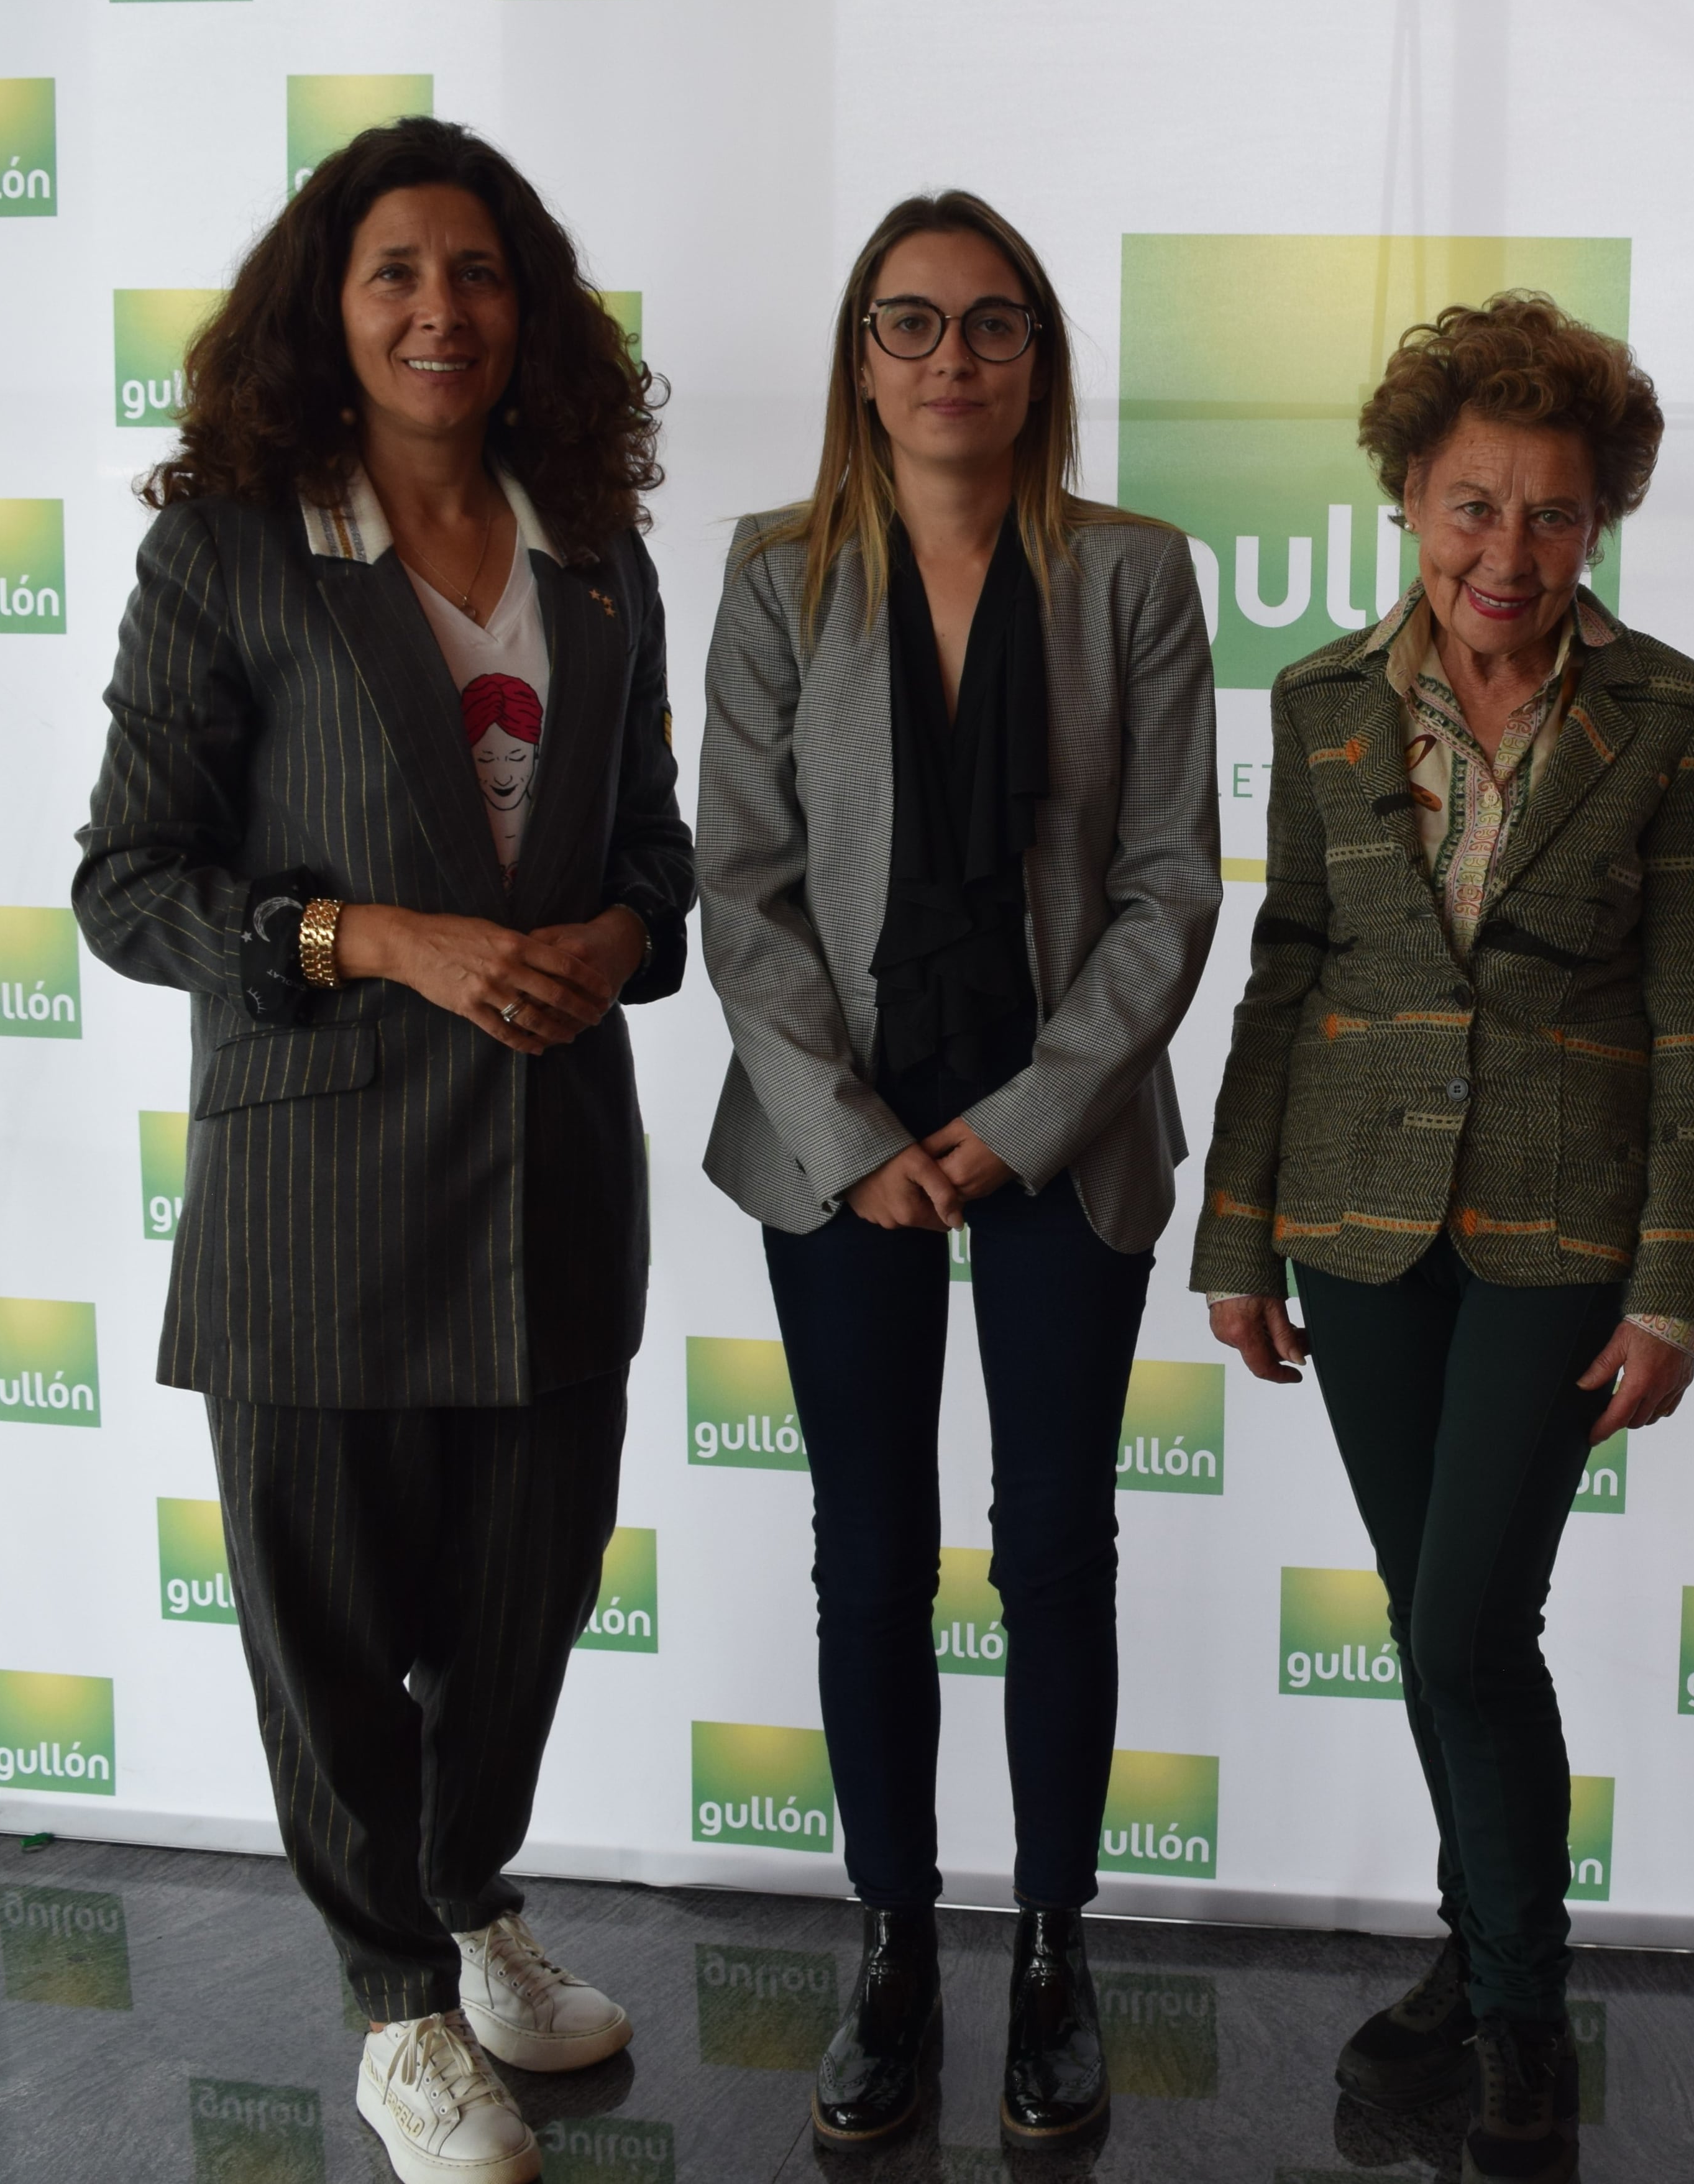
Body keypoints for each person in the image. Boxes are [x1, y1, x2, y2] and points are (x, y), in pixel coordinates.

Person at [73, 117, 694, 2184]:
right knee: (332, 1624)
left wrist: (615, 932)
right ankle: (401, 2011)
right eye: (399, 275)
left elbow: (659, 863)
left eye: (483, 273)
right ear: (327, 316)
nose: (444, 309)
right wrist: (372, 935)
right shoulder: (232, 550)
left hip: (551, 1178)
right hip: (316, 1194)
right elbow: (128, 886)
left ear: (534, 317)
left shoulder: (597, 557)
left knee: (524, 1603)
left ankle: (466, 1892)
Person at [1196, 293, 1694, 2184]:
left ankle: (1518, 2018)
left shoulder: (1675, 714)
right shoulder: (1321, 702)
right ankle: (1475, 1953)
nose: (1511, 553)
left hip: (1560, 1229)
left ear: (1601, 524)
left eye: (1558, 514)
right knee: (1449, 1634)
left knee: (1461, 1626)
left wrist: (1677, 1286)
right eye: (1473, 506)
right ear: (1408, 498)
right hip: (1353, 1225)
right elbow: (1286, 974)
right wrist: (1236, 1230)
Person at [695, 191, 1220, 2151]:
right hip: (836, 1142)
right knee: (868, 1557)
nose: (950, 360)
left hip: (1054, 1134)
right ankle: (896, 1944)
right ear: (860, 357)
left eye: (992, 325)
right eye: (910, 325)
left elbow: (1172, 882)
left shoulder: (1134, 576)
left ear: (1040, 360)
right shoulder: (772, 576)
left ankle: (1056, 1952)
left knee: (1057, 1547)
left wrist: (1028, 1115)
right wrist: (856, 1135)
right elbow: (738, 882)